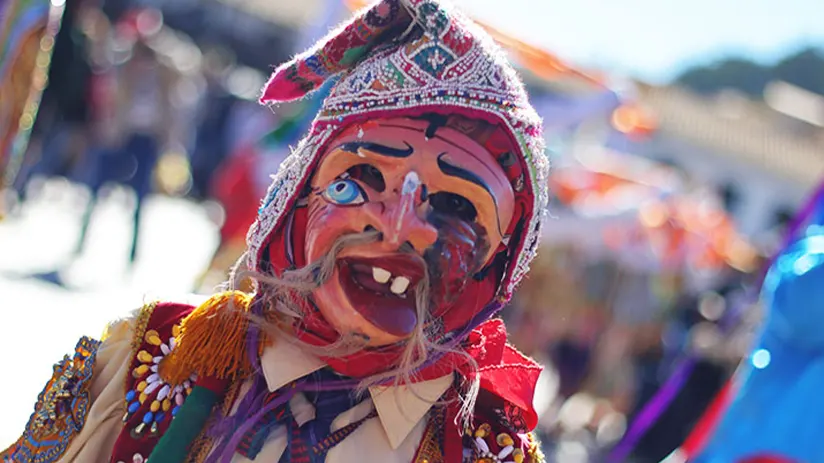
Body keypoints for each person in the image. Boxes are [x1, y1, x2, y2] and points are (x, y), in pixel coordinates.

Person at [1, 0, 550, 461]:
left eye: (456, 205)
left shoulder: (485, 447)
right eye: (360, 177)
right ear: (298, 195)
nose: (398, 226)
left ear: (501, 257)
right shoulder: (155, 355)